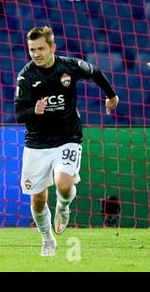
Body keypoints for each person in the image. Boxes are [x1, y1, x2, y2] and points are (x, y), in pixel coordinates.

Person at [14, 26, 119, 256]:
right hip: (37, 143)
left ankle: (63, 206)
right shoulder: (26, 76)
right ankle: (47, 240)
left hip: (68, 138)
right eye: (32, 50)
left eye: (41, 48)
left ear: (52, 47)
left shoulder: (69, 67)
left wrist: (111, 96)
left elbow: (95, 72)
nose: (36, 54)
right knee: (38, 200)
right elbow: (19, 114)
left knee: (63, 184)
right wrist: (35, 110)